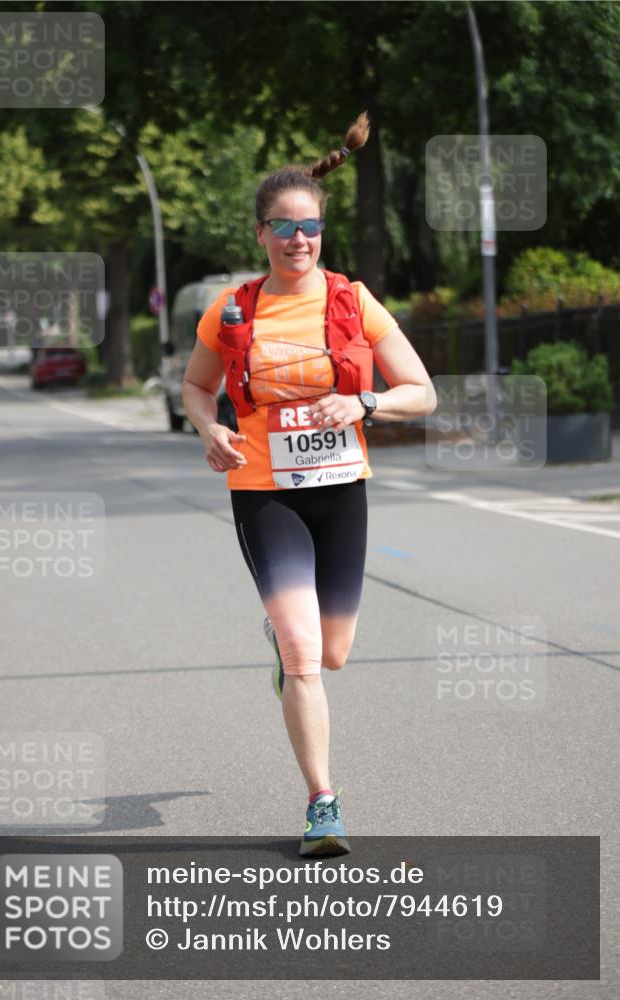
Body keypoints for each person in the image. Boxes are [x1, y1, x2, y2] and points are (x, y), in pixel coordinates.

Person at [183, 112, 435, 857]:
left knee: (333, 653)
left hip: (338, 486)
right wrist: (209, 429)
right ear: (260, 234)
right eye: (283, 228)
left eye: (310, 229)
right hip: (263, 491)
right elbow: (196, 388)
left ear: (322, 232)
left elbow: (421, 391)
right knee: (302, 652)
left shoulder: (352, 302)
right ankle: (322, 803)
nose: (298, 240)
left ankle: (288, 649)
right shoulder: (231, 309)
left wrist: (363, 400)